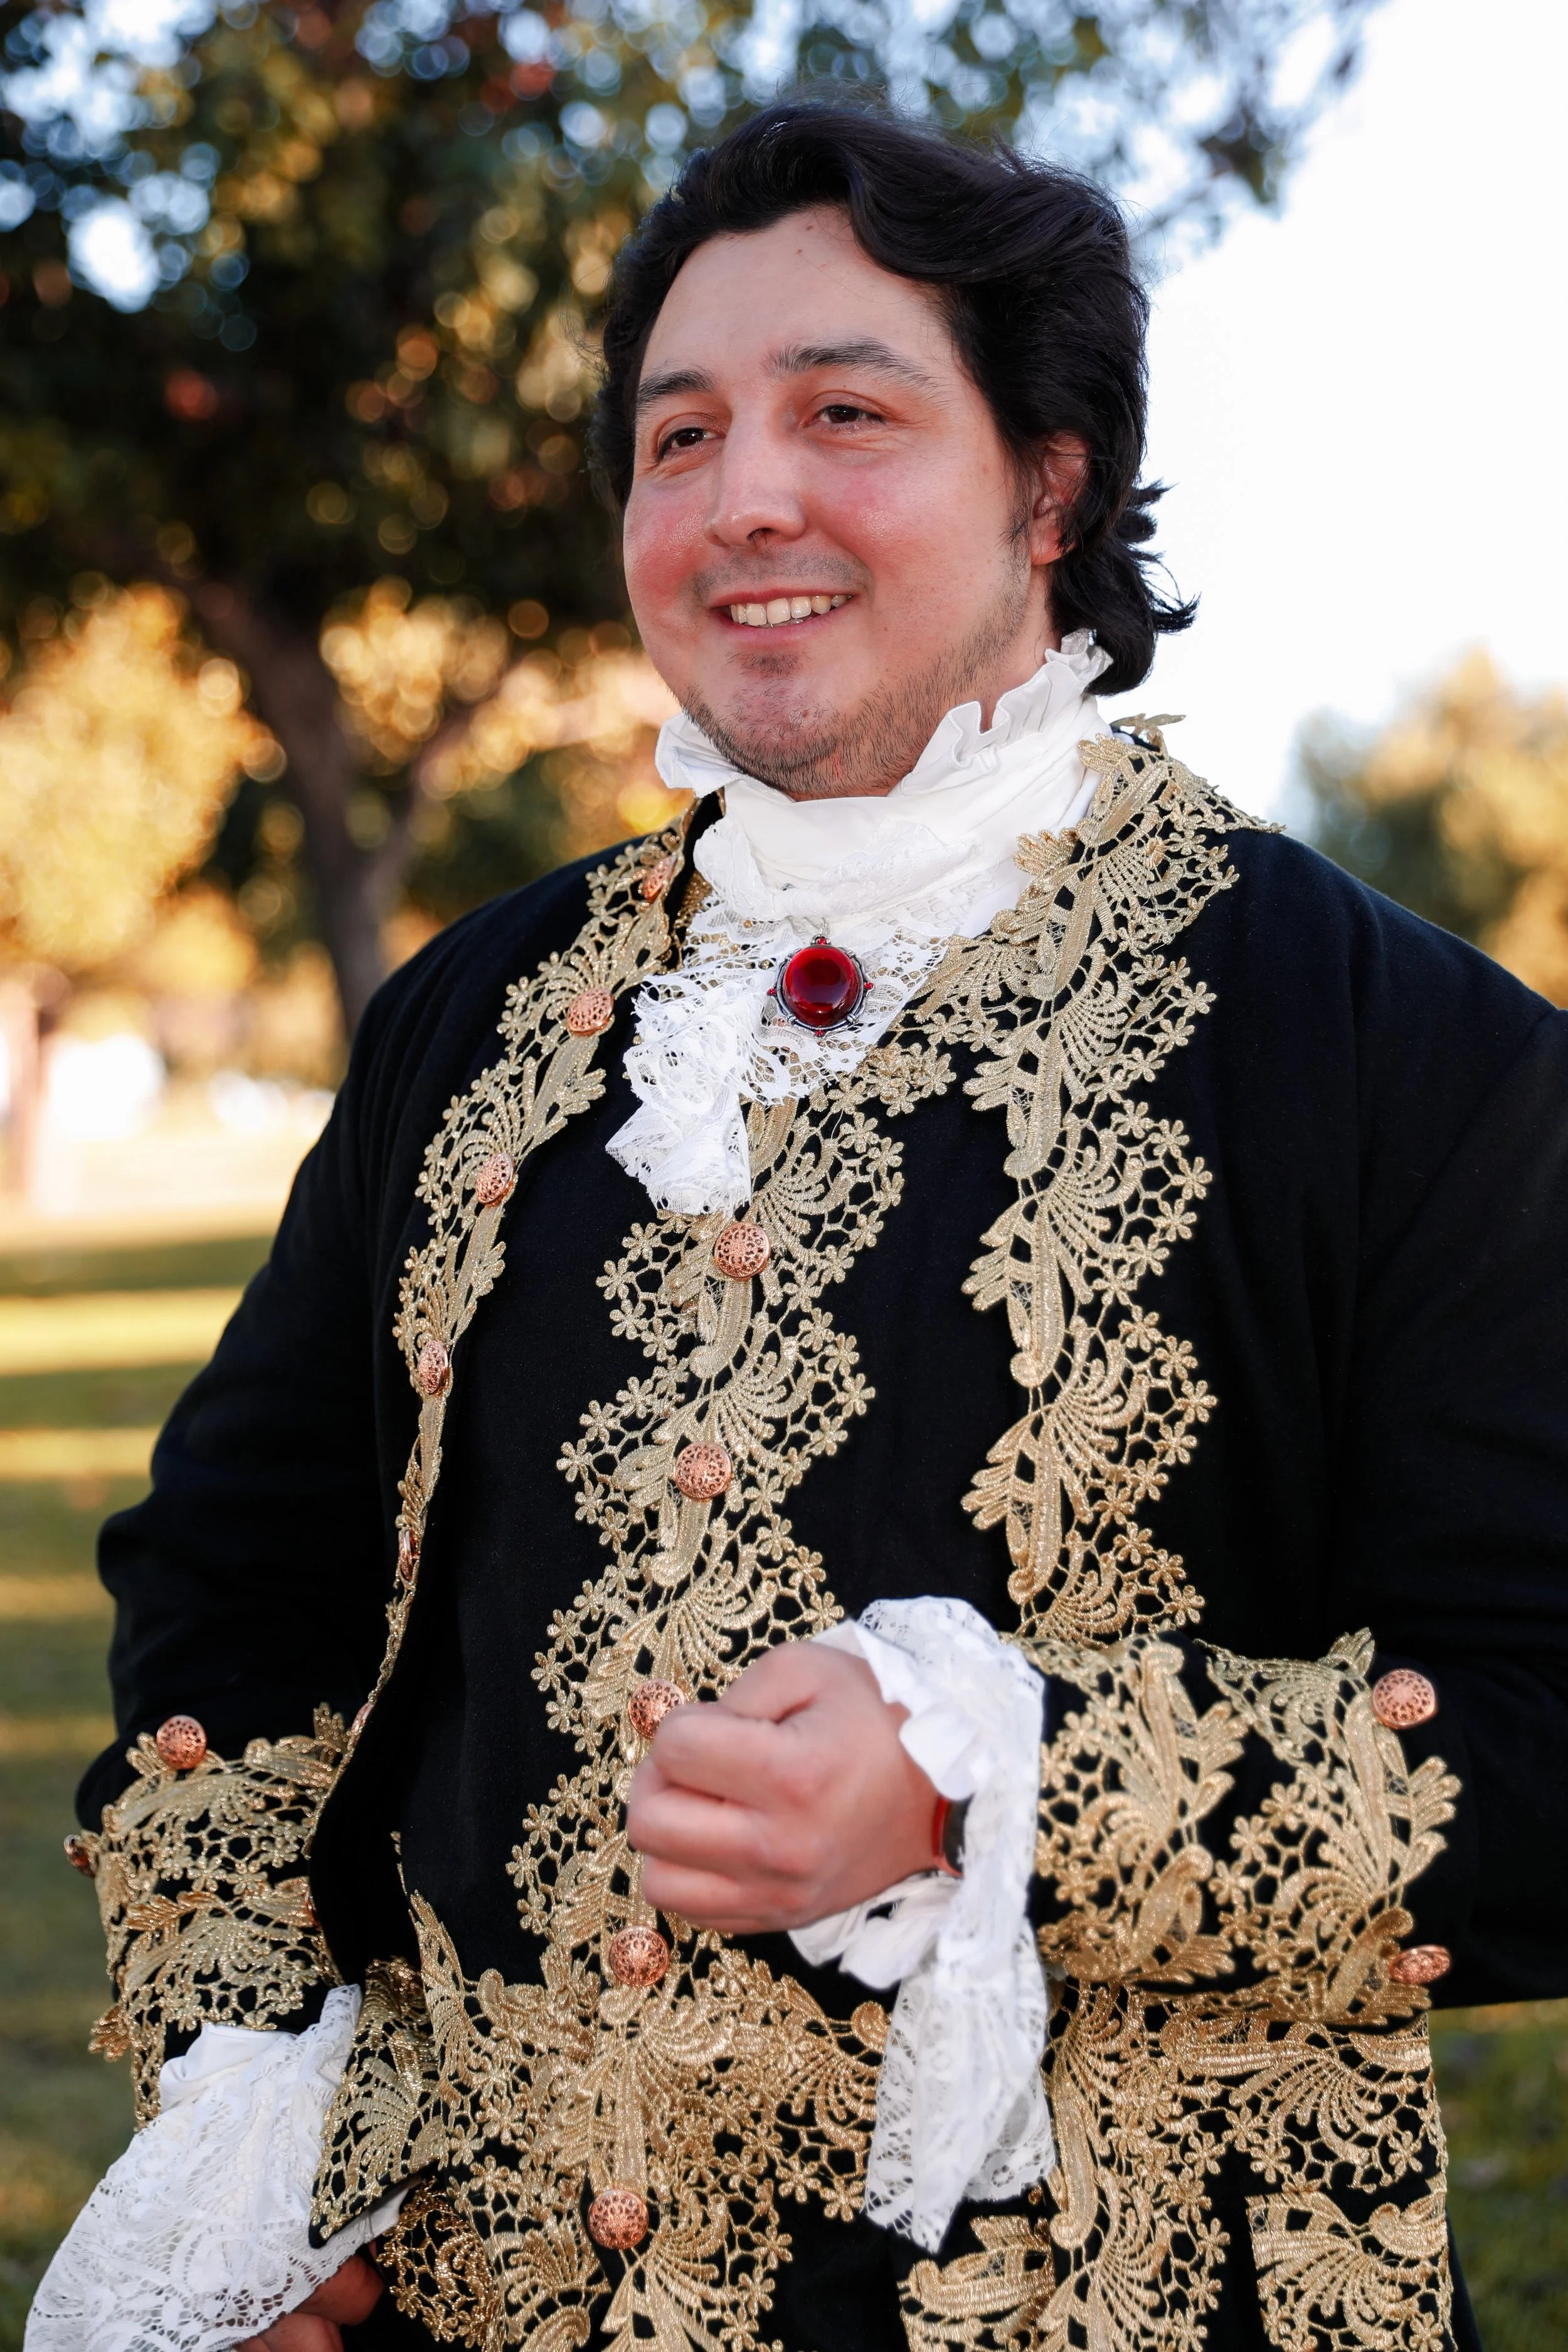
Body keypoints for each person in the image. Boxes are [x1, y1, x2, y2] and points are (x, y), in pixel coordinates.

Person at [28, 98, 1568, 2352]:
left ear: (1048, 480)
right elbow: (230, 1603)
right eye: (677, 437)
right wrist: (252, 2143)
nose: (744, 493)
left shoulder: (1407, 1055)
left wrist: (993, 1780)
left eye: (846, 411)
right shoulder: (473, 1013)